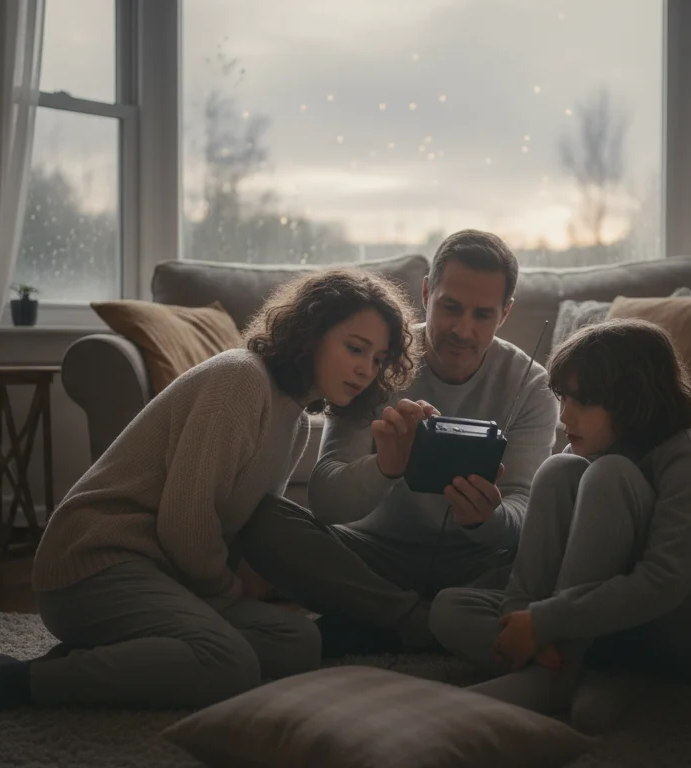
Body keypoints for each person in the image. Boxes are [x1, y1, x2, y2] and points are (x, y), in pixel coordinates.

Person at [0, 269, 420, 725]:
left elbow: (239, 529)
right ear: (311, 334)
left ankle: (130, 650)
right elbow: (185, 524)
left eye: (377, 359)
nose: (365, 369)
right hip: (93, 565)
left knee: (298, 642)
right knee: (228, 662)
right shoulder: (241, 380)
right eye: (355, 348)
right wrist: (229, 596)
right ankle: (19, 680)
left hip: (166, 575)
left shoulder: (296, 423)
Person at [428, 318, 691, 733]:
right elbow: (547, 560)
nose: (564, 416)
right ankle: (584, 670)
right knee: (450, 606)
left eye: (583, 402)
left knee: (609, 475)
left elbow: (662, 583)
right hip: (620, 620)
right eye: (562, 398)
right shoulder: (594, 441)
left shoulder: (689, 463)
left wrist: (545, 622)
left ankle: (558, 674)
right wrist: (520, 614)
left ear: (633, 402)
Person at [237, 229, 560, 656]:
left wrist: (488, 517)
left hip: (476, 564)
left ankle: (377, 622)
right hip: (372, 556)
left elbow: (523, 510)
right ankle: (425, 624)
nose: (462, 329)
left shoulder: (533, 386)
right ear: (426, 292)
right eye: (450, 307)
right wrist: (385, 467)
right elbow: (327, 498)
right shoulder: (377, 358)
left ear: (505, 314)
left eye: (482, 314)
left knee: (560, 548)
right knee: (261, 521)